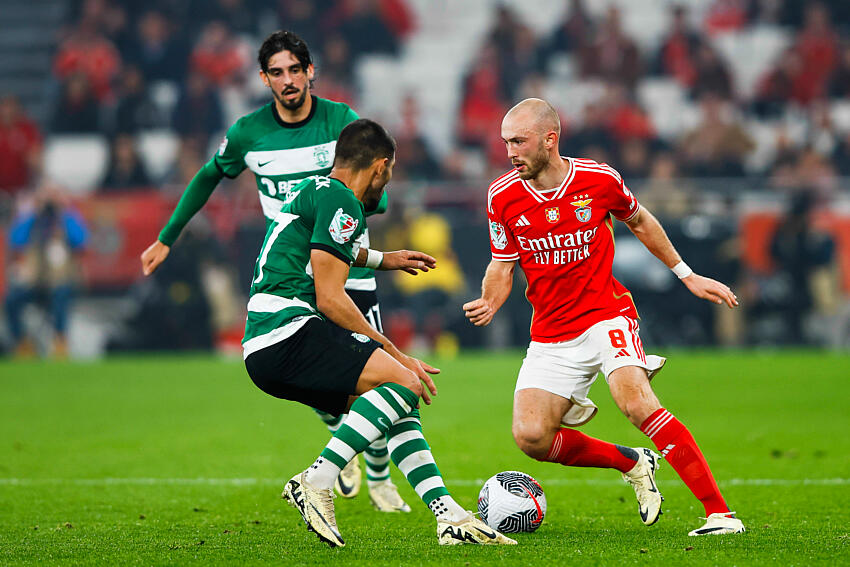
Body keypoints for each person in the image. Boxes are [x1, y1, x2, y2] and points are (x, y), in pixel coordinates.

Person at [139, 30, 403, 512]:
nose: (287, 80)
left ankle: (382, 478)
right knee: (328, 378)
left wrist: (356, 205)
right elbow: (207, 176)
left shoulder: (340, 120)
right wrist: (167, 236)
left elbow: (375, 190)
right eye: (276, 72)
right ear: (263, 79)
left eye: (295, 69)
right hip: (289, 279)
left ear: (310, 72)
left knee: (380, 376)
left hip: (347, 272)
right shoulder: (247, 133)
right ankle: (346, 457)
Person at [463, 98, 746, 537]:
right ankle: (632, 462)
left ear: (549, 139)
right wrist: (490, 300)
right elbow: (502, 264)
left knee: (636, 403)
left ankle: (721, 515)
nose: (510, 151)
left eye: (518, 141)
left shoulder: (598, 178)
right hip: (551, 331)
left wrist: (686, 275)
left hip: (605, 314)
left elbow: (641, 221)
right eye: (505, 143)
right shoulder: (501, 196)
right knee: (532, 437)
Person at [247, 118, 515, 548]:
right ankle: (316, 480)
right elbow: (330, 297)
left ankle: (448, 516)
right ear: (379, 166)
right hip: (287, 331)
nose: (386, 185)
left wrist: (382, 259)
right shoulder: (343, 201)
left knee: (399, 404)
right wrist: (393, 350)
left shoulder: (318, 190)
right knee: (404, 379)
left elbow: (319, 249)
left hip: (267, 342)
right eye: (388, 174)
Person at [5, 182, 88, 357]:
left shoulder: (66, 219)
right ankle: (22, 342)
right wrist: (34, 212)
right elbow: (15, 240)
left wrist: (63, 213)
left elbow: (81, 240)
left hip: (61, 279)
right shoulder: (33, 221)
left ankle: (60, 341)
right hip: (35, 281)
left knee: (61, 295)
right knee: (11, 301)